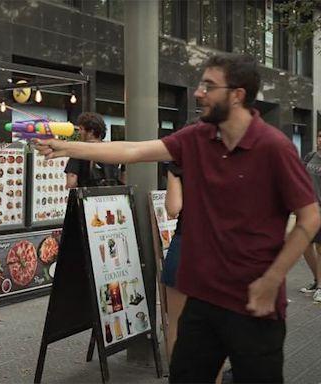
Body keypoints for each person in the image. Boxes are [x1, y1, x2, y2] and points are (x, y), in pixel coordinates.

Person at [35, 53, 320, 383]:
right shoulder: (197, 137)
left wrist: (272, 280)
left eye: (209, 86)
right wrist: (68, 148)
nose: (199, 93)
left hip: (255, 303)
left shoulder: (274, 147)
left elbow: (310, 218)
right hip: (202, 298)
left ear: (237, 95)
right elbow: (133, 151)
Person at [161, 162, 185, 361]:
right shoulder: (226, 158)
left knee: (176, 323)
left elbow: (173, 208)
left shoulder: (178, 164)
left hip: (185, 245)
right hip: (220, 250)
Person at [64, 112, 124, 188]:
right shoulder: (112, 150)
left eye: (81, 129)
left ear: (91, 132)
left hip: (87, 196)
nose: (79, 132)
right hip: (111, 197)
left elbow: (71, 183)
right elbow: (123, 177)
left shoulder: (78, 151)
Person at [299, 131, 321, 301]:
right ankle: (316, 280)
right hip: (308, 209)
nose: (319, 139)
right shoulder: (311, 156)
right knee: (305, 245)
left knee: (320, 249)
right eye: (319, 136)